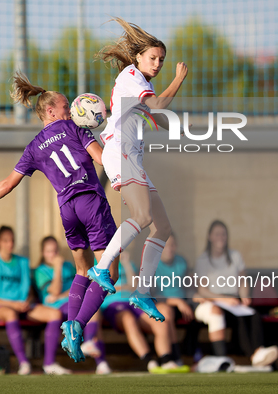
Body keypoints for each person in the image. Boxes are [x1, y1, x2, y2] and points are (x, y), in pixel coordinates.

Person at [0, 73, 118, 363]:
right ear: (50, 111)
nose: (72, 110)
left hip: (67, 211)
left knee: (83, 272)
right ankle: (78, 325)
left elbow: (8, 183)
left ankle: (71, 324)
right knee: (110, 272)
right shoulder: (75, 128)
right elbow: (102, 158)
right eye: (66, 106)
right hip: (90, 202)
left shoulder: (34, 147)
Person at [89, 18, 188, 322]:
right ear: (138, 58)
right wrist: (179, 79)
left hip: (132, 156)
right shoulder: (132, 76)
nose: (158, 63)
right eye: (153, 58)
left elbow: (152, 115)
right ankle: (102, 267)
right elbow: (157, 105)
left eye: (162, 59)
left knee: (162, 226)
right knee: (143, 217)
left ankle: (143, 292)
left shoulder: (141, 82)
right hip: (120, 154)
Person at [0, 226, 70, 375]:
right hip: (0, 307)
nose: (10, 244)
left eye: (12, 241)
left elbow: (29, 292)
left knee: (55, 315)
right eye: (6, 241)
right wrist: (12, 304)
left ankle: (49, 364)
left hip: (22, 307)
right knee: (10, 314)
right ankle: (24, 363)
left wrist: (27, 301)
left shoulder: (23, 262)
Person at [193, 220, 278, 366]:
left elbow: (242, 281)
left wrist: (245, 295)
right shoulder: (203, 259)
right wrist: (224, 300)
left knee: (253, 314)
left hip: (234, 301)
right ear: (210, 237)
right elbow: (202, 289)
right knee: (239, 319)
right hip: (216, 301)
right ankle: (254, 355)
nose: (221, 237)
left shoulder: (235, 256)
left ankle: (259, 351)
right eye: (217, 234)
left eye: (223, 234)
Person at [34, 236, 111, 374]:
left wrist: (61, 295)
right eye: (49, 251)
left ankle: (100, 361)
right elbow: (55, 290)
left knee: (93, 308)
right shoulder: (40, 271)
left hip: (72, 302)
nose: (53, 254)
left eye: (55, 251)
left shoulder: (69, 266)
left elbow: (80, 287)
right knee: (87, 309)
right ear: (43, 253)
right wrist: (57, 267)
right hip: (55, 307)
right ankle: (50, 362)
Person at [100, 250, 188, 373]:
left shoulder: (129, 263)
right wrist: (125, 286)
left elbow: (135, 286)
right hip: (113, 304)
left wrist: (126, 264)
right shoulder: (99, 263)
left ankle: (166, 360)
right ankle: (150, 362)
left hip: (135, 302)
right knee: (128, 319)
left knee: (160, 320)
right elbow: (103, 289)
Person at [154, 235, 199, 362]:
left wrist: (194, 295)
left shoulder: (181, 261)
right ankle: (176, 356)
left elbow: (188, 286)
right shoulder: (152, 265)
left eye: (172, 245)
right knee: (168, 315)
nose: (169, 248)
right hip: (164, 304)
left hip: (184, 303)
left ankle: (193, 354)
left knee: (199, 314)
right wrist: (177, 302)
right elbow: (152, 295)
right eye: (165, 245)